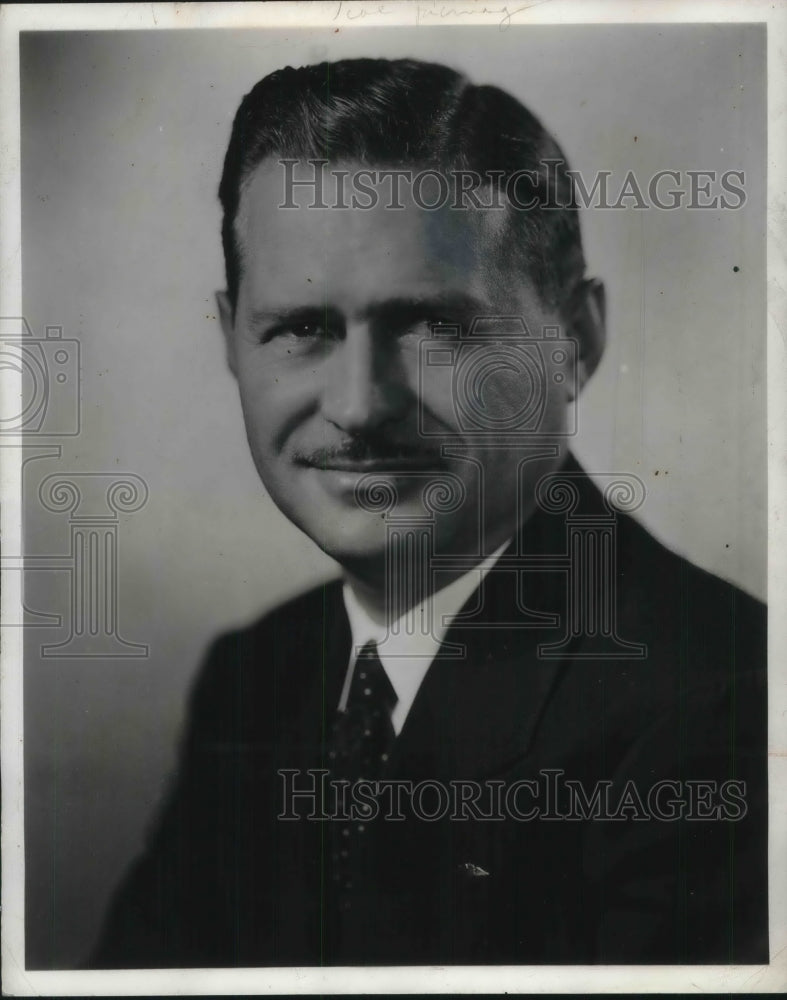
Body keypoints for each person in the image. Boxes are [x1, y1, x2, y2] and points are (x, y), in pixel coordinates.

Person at [89, 57, 767, 968]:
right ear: (231, 341)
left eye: (434, 326)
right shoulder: (257, 673)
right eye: (302, 328)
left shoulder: (725, 713)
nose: (361, 406)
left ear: (575, 343)